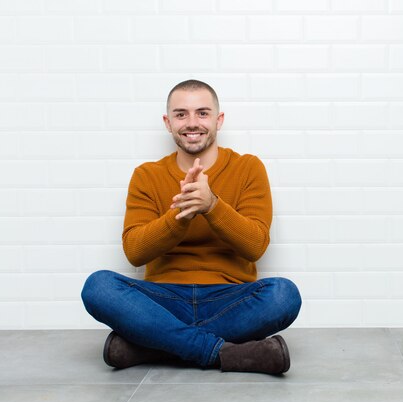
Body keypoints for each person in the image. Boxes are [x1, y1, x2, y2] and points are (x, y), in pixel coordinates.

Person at [81, 79, 302, 375]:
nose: (192, 123)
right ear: (168, 122)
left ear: (218, 120)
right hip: (163, 301)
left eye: (202, 113)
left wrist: (212, 206)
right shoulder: (147, 175)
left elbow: (256, 245)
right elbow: (134, 252)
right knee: (99, 287)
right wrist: (180, 216)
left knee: (284, 295)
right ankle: (223, 353)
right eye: (181, 114)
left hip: (229, 298)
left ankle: (153, 344)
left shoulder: (249, 168)